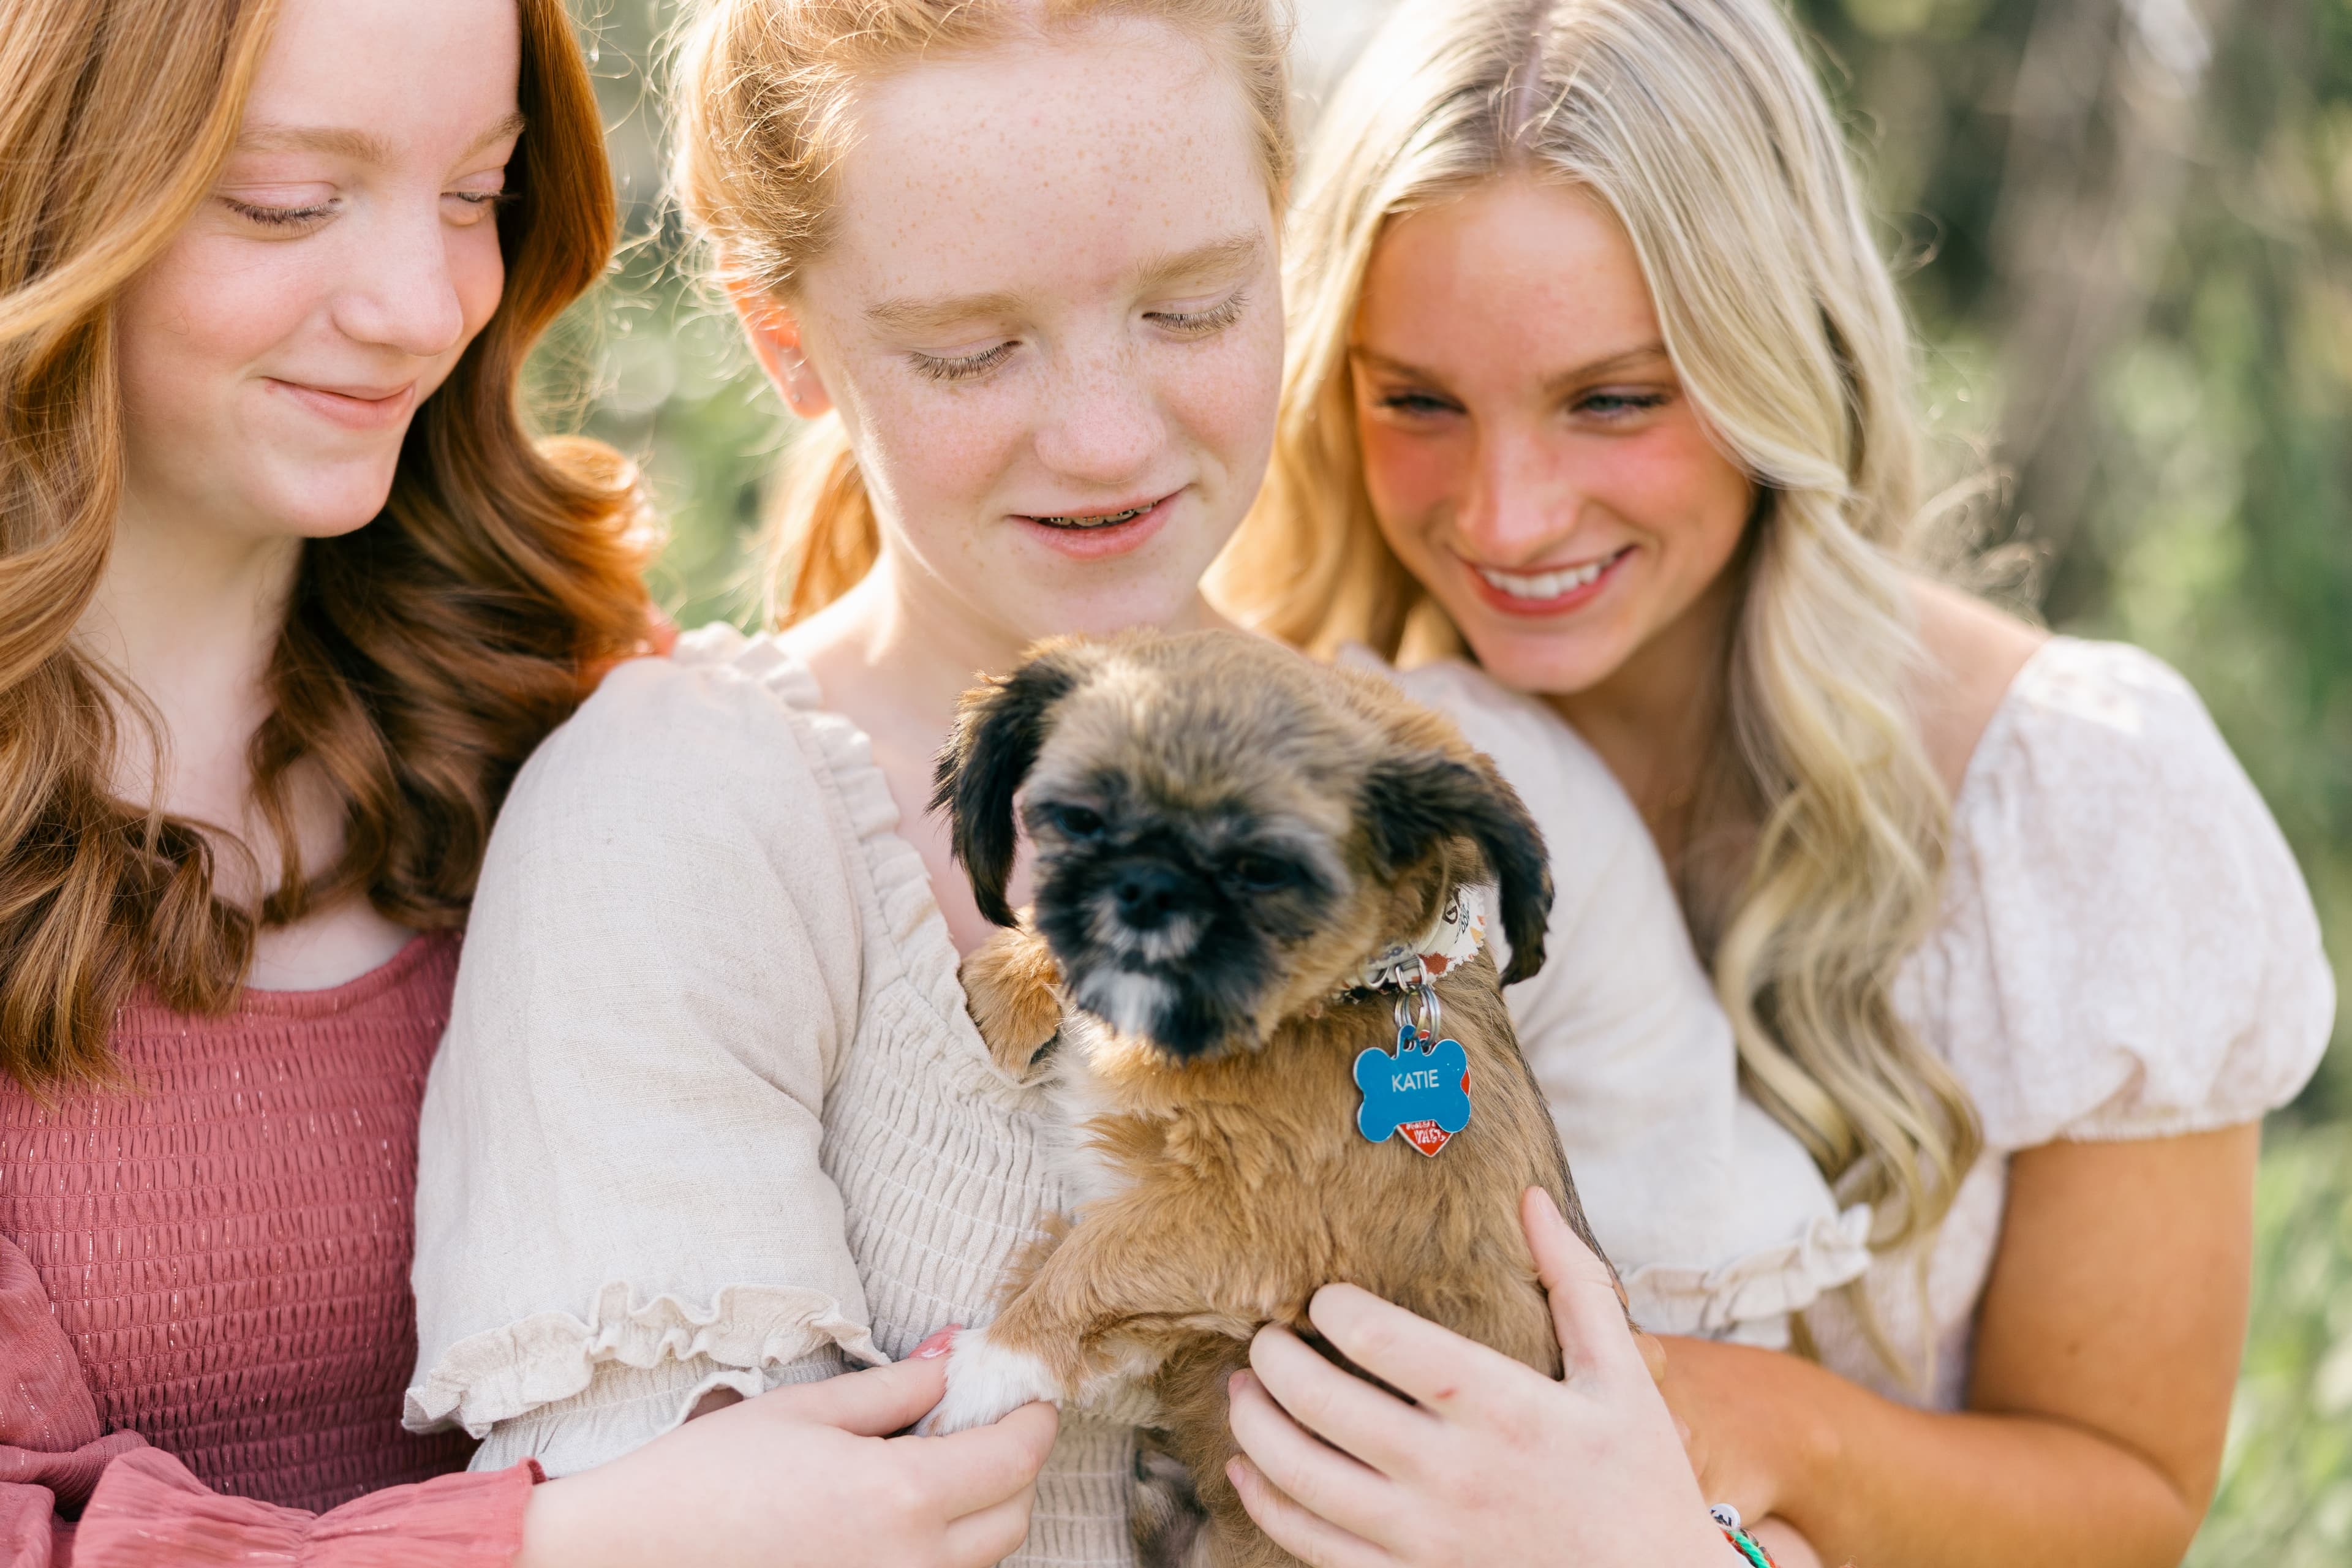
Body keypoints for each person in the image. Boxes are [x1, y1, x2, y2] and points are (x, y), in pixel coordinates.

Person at [402, 0, 1866, 1562]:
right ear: (789, 346)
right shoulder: (674, 823)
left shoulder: (1476, 790)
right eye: (972, 348)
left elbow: (1739, 1491)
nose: (1108, 437)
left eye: (1192, 308)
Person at [1215, 0, 2335, 1563]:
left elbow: (2130, 1499)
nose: (1510, 511)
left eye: (1615, 398)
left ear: (1777, 363)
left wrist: (1729, 1428)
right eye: (1419, 400)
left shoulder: (2081, 799)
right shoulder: (1278, 754)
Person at [0, 0, 1051, 1563]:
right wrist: (564, 1545)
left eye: (476, 194)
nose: (424, 307)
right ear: (61, 185)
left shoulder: (595, 715)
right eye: (290, 203)